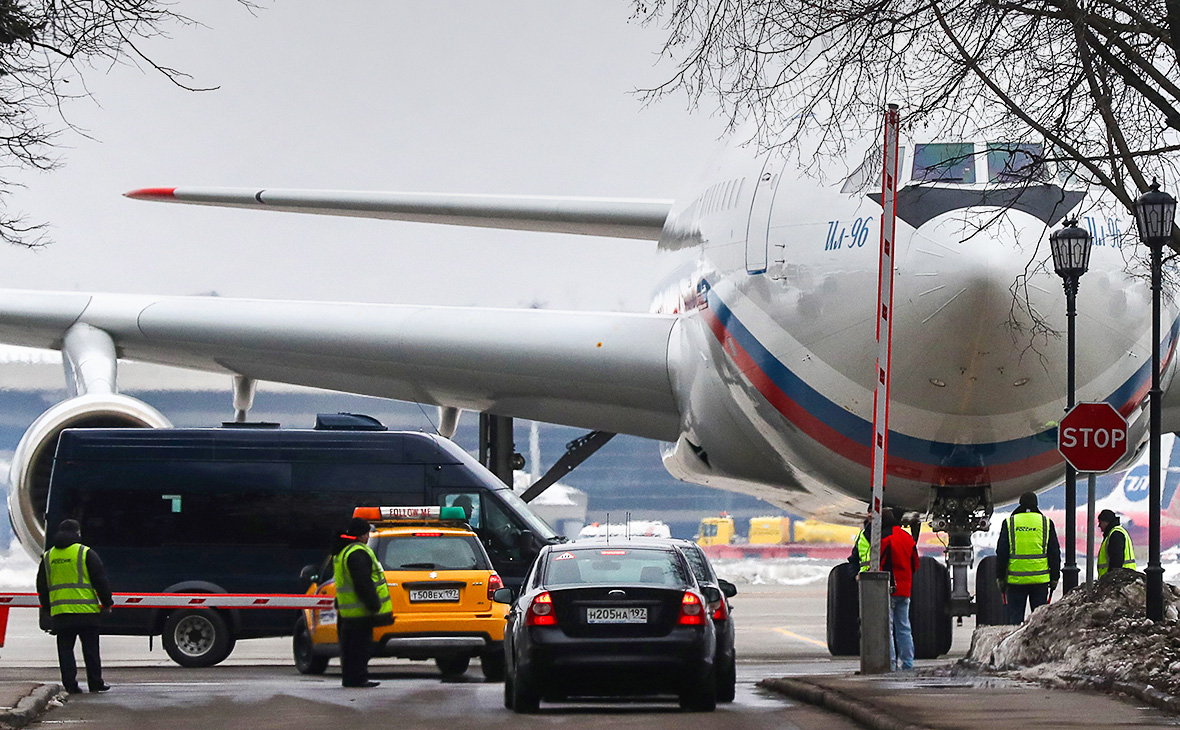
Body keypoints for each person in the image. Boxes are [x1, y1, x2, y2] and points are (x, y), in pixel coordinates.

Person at [36, 519, 113, 694]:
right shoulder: (85, 553)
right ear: (77, 533)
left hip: (62, 613)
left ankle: (71, 685)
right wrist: (107, 603)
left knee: (65, 651)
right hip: (86, 612)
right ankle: (95, 682)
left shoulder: (48, 557)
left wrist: (48, 608)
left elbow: (41, 586)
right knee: (91, 650)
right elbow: (100, 581)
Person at [333, 517, 393, 688]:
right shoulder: (357, 552)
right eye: (367, 533)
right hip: (360, 612)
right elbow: (362, 582)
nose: (368, 536)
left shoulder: (343, 551)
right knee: (360, 648)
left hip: (348, 613)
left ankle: (351, 678)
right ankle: (358, 678)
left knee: (350, 649)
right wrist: (373, 604)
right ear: (360, 535)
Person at [996, 491, 1061, 624]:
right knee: (1039, 622)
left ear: (1020, 504)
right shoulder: (1046, 522)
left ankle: (1013, 644)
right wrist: (1055, 577)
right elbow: (1054, 553)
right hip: (1040, 581)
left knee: (1014, 620)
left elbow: (1002, 553)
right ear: (1036, 504)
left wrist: (1000, 577)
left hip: (1016, 581)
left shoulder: (1010, 522)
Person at [879, 508, 919, 671]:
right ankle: (908, 663)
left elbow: (880, 564)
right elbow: (915, 564)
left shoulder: (885, 538)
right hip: (905, 589)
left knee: (887, 629)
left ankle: (891, 663)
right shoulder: (907, 538)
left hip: (889, 588)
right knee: (904, 627)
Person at [1097, 509, 1137, 578]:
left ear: (1106, 522)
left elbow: (1116, 560)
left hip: (1120, 578)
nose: (1099, 526)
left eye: (1100, 522)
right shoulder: (1117, 532)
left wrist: (1111, 578)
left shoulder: (1115, 534)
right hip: (1126, 576)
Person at [848, 508, 872, 573]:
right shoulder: (862, 534)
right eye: (869, 512)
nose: (870, 514)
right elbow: (854, 559)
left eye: (874, 512)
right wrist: (855, 575)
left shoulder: (889, 533)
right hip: (864, 577)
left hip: (884, 578)